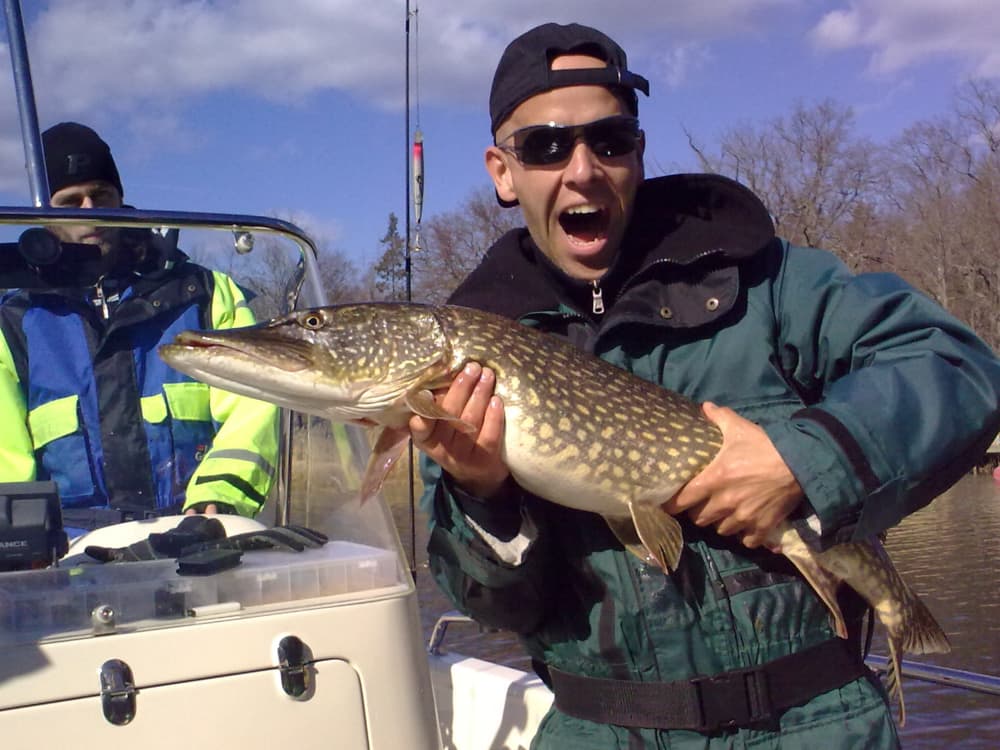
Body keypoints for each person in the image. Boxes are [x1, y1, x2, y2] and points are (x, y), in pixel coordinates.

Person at [411, 22, 1000, 749]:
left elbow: (954, 363)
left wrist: (801, 461)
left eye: (611, 139)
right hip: (600, 731)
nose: (584, 169)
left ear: (638, 152)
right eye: (546, 146)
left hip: (812, 727)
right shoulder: (473, 355)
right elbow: (500, 610)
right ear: (503, 171)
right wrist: (485, 498)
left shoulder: (763, 281)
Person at [0, 122, 278, 537]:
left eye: (102, 195)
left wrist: (218, 500)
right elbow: (7, 459)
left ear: (121, 197)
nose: (91, 211)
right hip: (68, 564)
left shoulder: (203, 294)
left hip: (199, 540)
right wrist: (23, 546)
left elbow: (253, 406)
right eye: (71, 202)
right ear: (46, 214)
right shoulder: (15, 324)